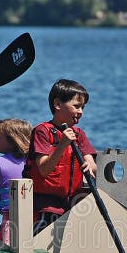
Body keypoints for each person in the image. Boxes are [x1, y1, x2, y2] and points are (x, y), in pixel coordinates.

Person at [25, 79, 97, 234]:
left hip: (70, 205)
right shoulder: (42, 131)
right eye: (76, 106)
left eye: (83, 107)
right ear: (57, 104)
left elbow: (92, 163)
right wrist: (62, 145)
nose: (81, 112)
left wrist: (89, 166)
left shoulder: (79, 135)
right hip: (44, 206)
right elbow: (44, 169)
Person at [0, 118, 32, 245]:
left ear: (13, 141)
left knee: (8, 252)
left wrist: (2, 198)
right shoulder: (36, 163)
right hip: (35, 220)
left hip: (9, 222)